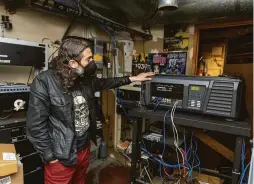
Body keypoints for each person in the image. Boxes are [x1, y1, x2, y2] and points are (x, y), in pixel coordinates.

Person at [26, 38, 154, 184]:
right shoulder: (44, 82)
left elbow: (105, 82)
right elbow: (35, 126)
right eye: (88, 59)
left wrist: (133, 78)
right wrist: (50, 157)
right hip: (61, 156)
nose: (92, 62)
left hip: (83, 149)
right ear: (73, 63)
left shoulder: (83, 78)